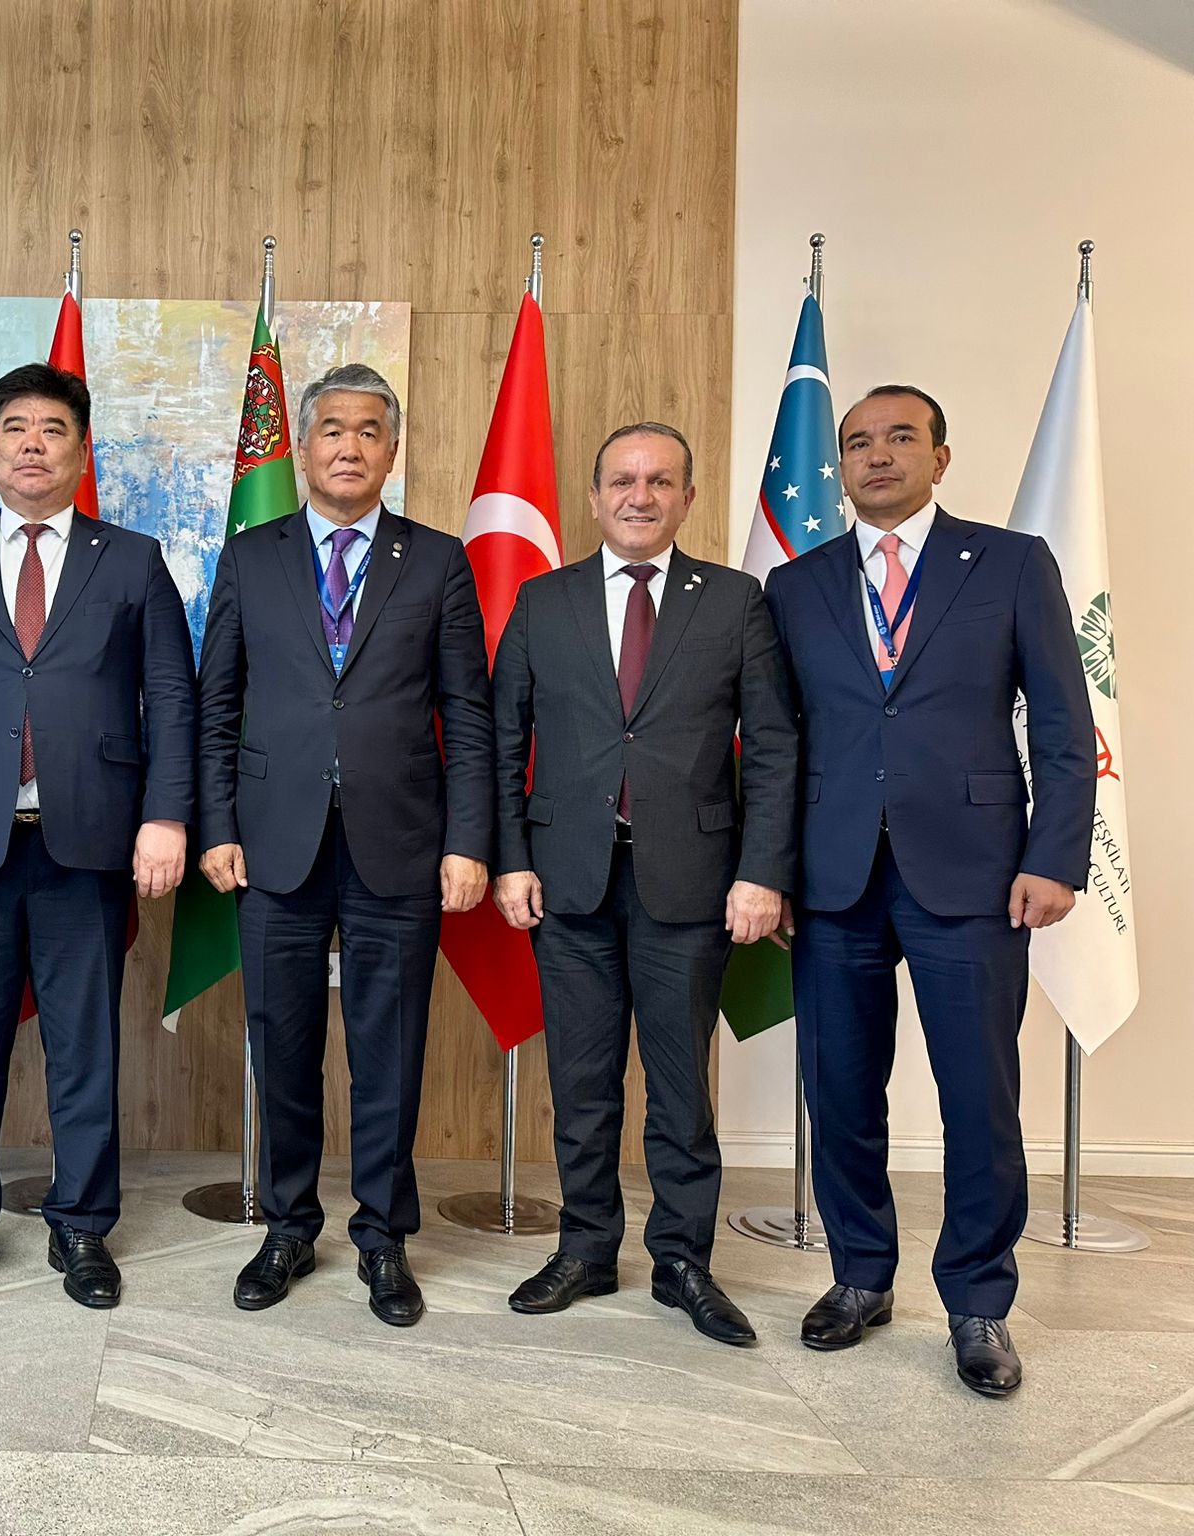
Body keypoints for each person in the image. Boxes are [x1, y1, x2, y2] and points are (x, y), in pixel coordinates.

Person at [765, 385, 1094, 1396]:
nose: (876, 455)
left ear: (939, 458)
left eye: (899, 437)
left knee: (977, 1097)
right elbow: (774, 744)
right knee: (839, 1090)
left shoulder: (1010, 563)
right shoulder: (794, 583)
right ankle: (859, 1276)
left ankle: (978, 1302)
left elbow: (1062, 725)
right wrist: (770, 872)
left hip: (975, 874)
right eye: (858, 442)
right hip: (832, 877)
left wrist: (1054, 856)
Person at [0, 362, 195, 1313]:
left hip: (87, 843)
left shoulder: (130, 560)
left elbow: (172, 699)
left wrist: (166, 815)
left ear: (81, 452)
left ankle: (83, 1227)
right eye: (15, 428)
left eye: (52, 430)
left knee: (84, 1049)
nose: (32, 444)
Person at [195, 362, 492, 1328]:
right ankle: (287, 1226)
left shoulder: (437, 561)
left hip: (399, 841)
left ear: (392, 451)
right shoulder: (250, 557)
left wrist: (468, 839)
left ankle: (383, 1237)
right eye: (332, 430)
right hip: (272, 842)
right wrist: (215, 826)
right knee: (281, 1042)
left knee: (389, 1049)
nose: (349, 447)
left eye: (369, 431)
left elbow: (469, 714)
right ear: (305, 447)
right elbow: (215, 705)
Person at [492, 422, 797, 1347]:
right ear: (594, 498)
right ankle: (586, 1249)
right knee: (583, 1084)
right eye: (622, 481)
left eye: (660, 481)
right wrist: (510, 857)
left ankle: (683, 1262)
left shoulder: (735, 601)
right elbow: (503, 744)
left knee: (679, 1089)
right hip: (568, 882)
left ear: (687, 498)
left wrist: (762, 873)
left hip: (693, 885)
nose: (640, 496)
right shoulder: (542, 601)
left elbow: (773, 747)